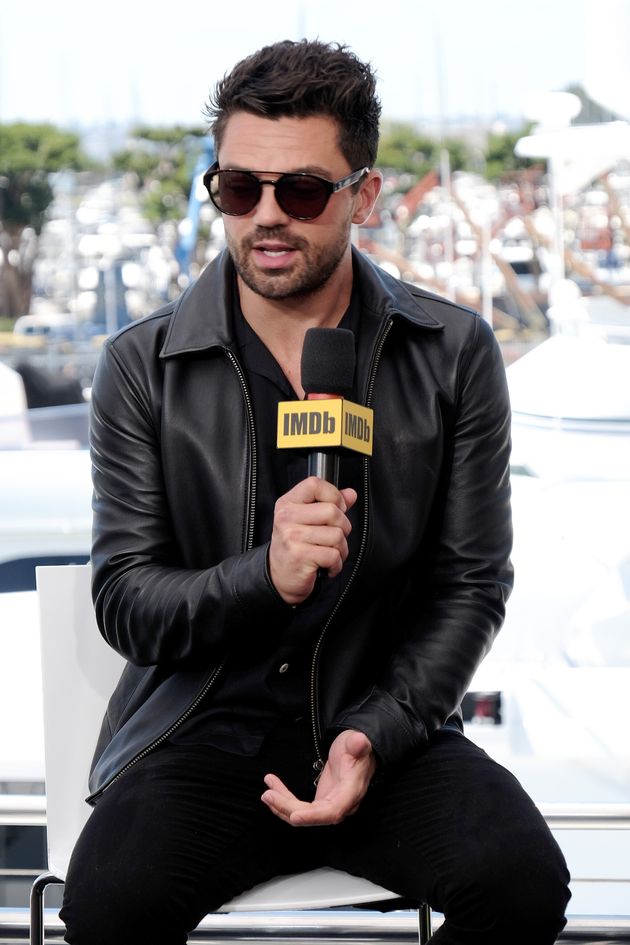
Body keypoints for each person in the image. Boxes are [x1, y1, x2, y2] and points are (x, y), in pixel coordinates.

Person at [60, 38, 570, 945]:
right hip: (201, 736)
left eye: (299, 191)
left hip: (379, 726)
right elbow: (126, 599)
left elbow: (471, 583)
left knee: (522, 881)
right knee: (108, 904)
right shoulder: (143, 364)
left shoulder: (450, 353)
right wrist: (265, 573)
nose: (265, 216)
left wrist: (375, 731)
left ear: (363, 196)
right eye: (237, 187)